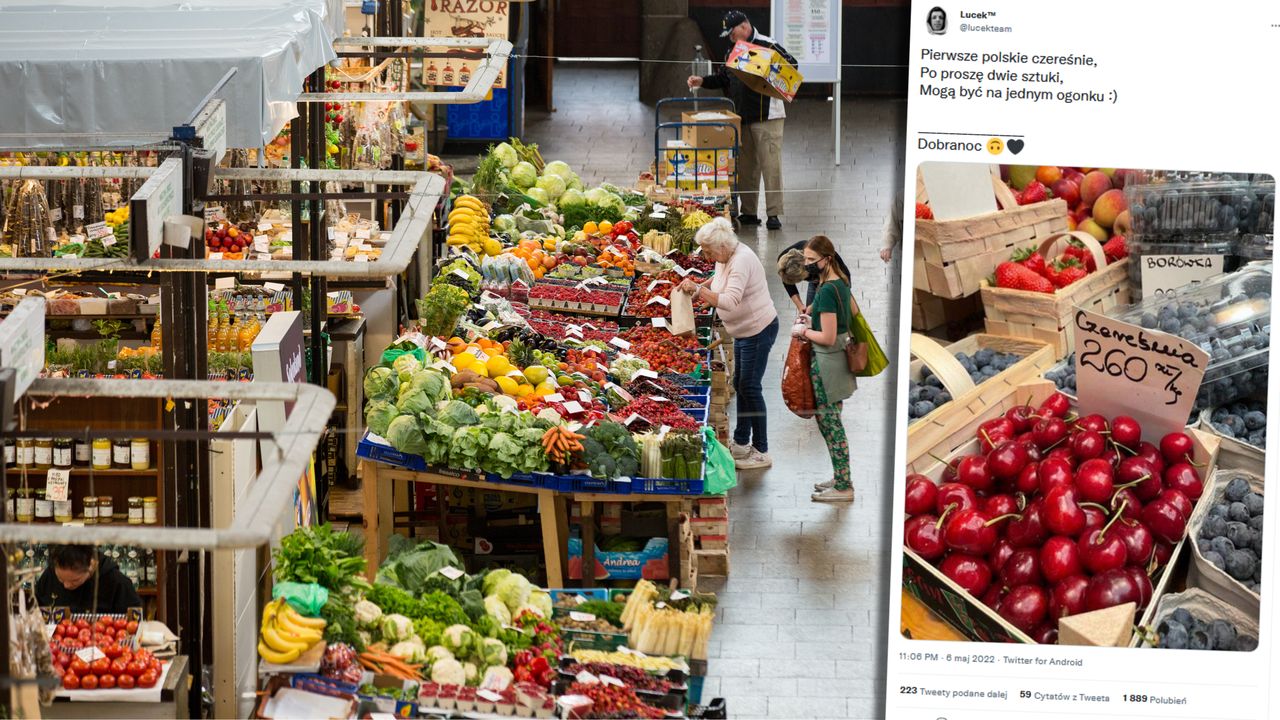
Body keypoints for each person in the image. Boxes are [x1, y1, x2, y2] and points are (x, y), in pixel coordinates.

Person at [678, 217, 779, 469]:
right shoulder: (726, 258)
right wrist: (700, 285)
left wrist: (700, 292)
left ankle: (762, 450)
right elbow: (717, 278)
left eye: (710, 251)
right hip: (745, 332)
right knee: (741, 384)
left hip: (758, 330)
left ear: (722, 246)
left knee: (751, 387)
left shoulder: (742, 260)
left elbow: (730, 300)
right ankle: (742, 441)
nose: (708, 256)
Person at [687, 10, 796, 231]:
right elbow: (723, 77)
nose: (730, 37)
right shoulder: (733, 50)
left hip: (768, 117)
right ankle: (749, 212)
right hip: (742, 117)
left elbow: (791, 66)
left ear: (744, 26)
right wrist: (702, 81)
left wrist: (768, 71)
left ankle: (774, 214)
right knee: (746, 168)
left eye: (732, 32)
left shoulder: (767, 44)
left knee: (770, 166)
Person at [792, 235, 858, 503]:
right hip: (838, 358)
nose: (807, 265)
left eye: (811, 260)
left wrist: (805, 330)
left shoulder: (828, 290)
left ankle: (844, 487)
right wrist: (814, 316)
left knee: (831, 424)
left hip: (828, 361)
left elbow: (828, 337)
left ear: (826, 259)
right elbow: (848, 316)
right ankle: (840, 477)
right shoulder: (838, 282)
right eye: (805, 259)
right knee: (830, 421)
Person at [35, 544, 142, 613]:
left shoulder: (116, 583)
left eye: (75, 581)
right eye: (61, 580)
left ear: (92, 564)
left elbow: (134, 621)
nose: (66, 585)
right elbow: (35, 613)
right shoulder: (49, 575)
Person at [776, 240, 851, 313]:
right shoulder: (783, 262)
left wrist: (814, 305)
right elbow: (787, 281)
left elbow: (843, 281)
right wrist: (800, 305)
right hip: (817, 279)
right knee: (810, 314)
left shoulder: (822, 257)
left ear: (806, 269)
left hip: (833, 282)